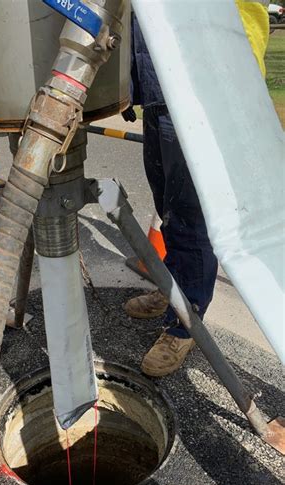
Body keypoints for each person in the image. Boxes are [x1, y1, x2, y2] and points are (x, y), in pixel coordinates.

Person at [125, 1, 269, 377]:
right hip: (161, 90)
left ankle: (186, 323)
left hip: (201, 86)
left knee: (190, 218)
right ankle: (174, 291)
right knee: (168, 209)